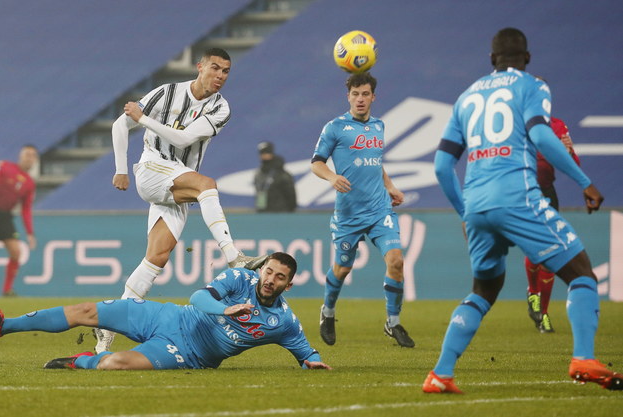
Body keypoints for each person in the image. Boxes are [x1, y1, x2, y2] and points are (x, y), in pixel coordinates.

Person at [423, 27, 623, 393]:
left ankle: (441, 373)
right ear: (527, 59)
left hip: (477, 203)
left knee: (483, 290)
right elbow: (542, 136)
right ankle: (582, 357)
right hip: (518, 197)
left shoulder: (466, 98)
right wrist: (584, 181)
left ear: (491, 60)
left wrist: (465, 212)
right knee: (581, 274)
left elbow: (441, 166)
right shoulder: (532, 85)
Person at [97, 47, 268, 353]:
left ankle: (108, 325)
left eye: (226, 71)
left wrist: (144, 119)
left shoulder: (221, 108)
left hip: (177, 180)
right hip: (152, 168)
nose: (220, 76)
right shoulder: (167, 92)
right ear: (199, 66)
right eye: (214, 68)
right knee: (207, 186)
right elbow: (120, 124)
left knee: (157, 257)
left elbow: (184, 139)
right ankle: (233, 255)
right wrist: (121, 169)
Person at [0, 252, 331, 371]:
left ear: (288, 286)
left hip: (187, 354)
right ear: (262, 270)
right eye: (269, 272)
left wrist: (311, 361)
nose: (270, 280)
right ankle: (4, 326)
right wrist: (225, 309)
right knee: (85, 309)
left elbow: (306, 351)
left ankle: (80, 360)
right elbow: (199, 297)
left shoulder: (283, 321)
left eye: (280, 277)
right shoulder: (240, 278)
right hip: (170, 316)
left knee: (115, 363)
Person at [311, 72, 414, 348]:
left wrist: (390, 186)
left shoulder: (379, 126)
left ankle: (392, 323)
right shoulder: (334, 127)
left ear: (373, 97)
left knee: (396, 261)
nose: (360, 99)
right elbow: (316, 162)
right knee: (342, 269)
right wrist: (332, 177)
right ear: (348, 97)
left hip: (380, 209)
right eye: (355, 94)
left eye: (365, 94)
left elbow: (374, 162)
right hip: (349, 215)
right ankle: (328, 311)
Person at [525, 115, 580, 333]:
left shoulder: (558, 125)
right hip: (524, 193)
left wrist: (567, 152)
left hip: (547, 192)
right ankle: (533, 292)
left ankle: (543, 314)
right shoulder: (517, 122)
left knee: (551, 250)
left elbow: (574, 162)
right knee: (534, 247)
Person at [0, 145, 38, 297]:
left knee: (16, 252)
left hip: (5, 217)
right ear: (20, 156)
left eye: (32, 155)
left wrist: (30, 233)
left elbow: (26, 209)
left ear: (35, 160)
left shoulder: (29, 183)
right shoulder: (5, 166)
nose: (29, 157)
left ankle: (7, 290)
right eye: (27, 154)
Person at [254, 141, 297, 212]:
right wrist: (260, 209)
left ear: (272, 153)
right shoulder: (259, 174)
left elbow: (291, 194)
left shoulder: (282, 174)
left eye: (266, 152)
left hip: (280, 212)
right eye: (261, 153)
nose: (263, 155)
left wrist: (290, 210)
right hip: (263, 212)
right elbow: (259, 193)